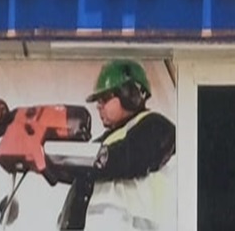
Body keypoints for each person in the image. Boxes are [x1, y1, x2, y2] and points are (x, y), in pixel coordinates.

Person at [58, 59, 177, 231]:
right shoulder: (107, 140)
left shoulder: (156, 126)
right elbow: (84, 172)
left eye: (105, 98)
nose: (99, 106)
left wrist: (74, 159)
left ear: (130, 95)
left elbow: (125, 158)